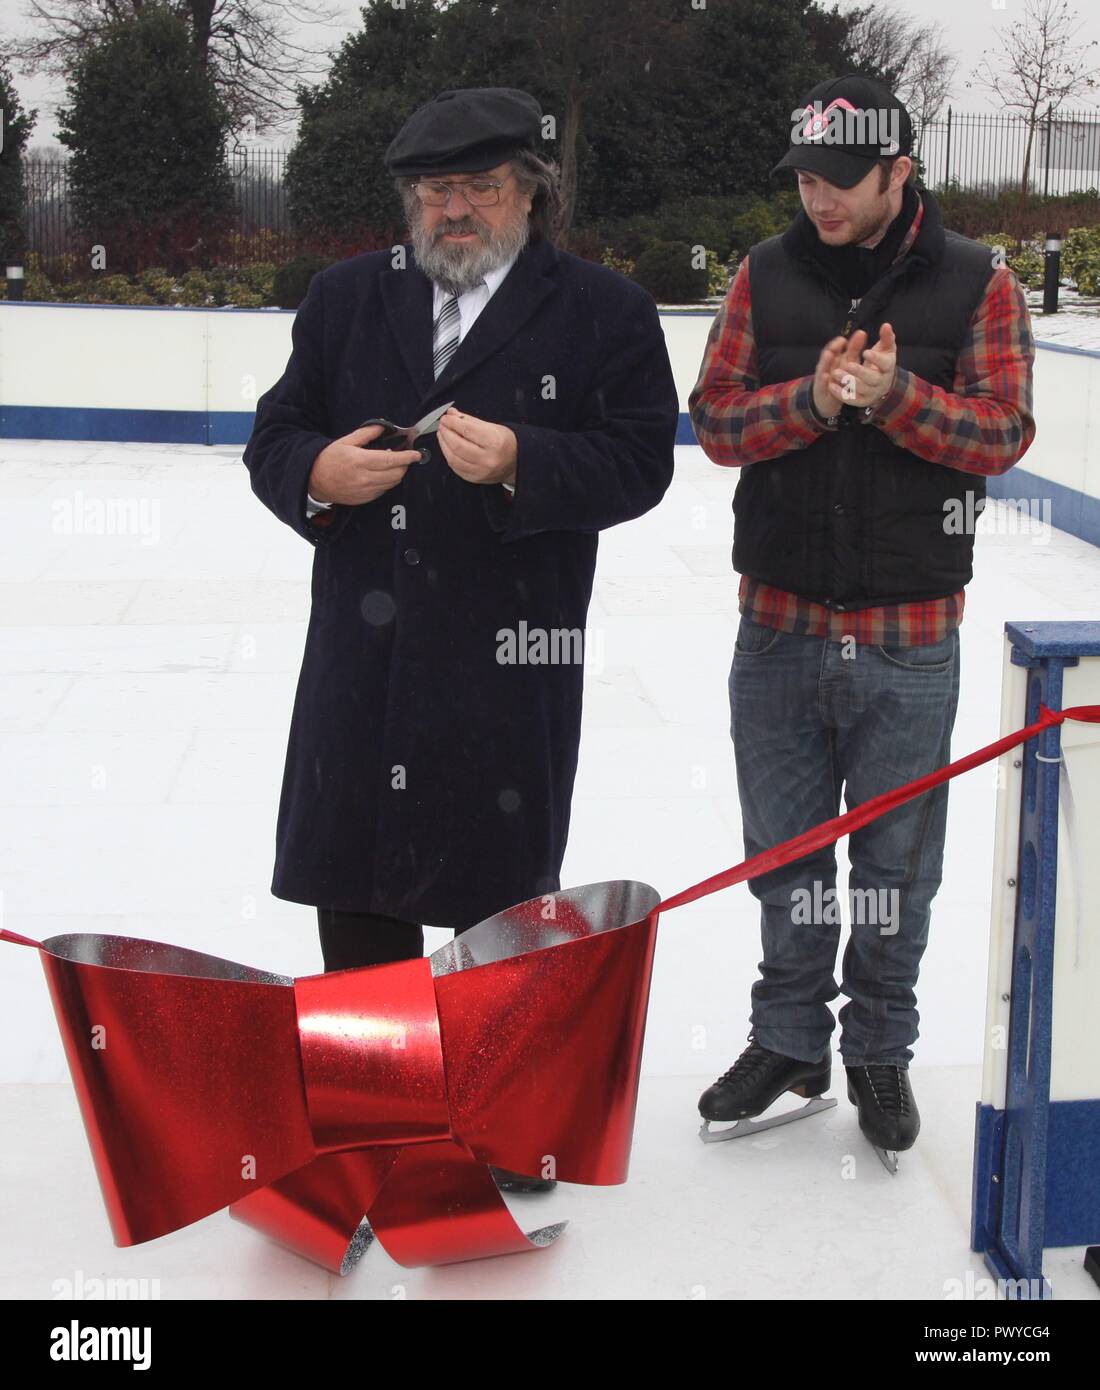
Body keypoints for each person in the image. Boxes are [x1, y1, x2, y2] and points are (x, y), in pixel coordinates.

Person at [242, 87, 679, 1186]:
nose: (453, 208)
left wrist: (526, 461)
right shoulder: (345, 299)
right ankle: (373, 1106)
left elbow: (640, 463)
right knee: (358, 881)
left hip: (507, 660)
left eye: (479, 186)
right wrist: (315, 476)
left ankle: (499, 1116)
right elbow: (276, 434)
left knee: (499, 894)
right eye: (433, 189)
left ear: (528, 192)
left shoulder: (603, 312)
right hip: (363, 657)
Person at [688, 73, 1036, 1168]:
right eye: (801, 176)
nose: (816, 197)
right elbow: (711, 423)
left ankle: (877, 1048)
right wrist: (812, 400)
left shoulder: (979, 281)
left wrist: (893, 400)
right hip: (778, 622)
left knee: (893, 865)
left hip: (909, 630)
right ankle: (787, 1039)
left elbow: (999, 436)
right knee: (784, 857)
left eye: (839, 179)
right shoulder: (763, 273)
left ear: (900, 171)